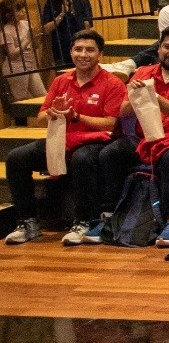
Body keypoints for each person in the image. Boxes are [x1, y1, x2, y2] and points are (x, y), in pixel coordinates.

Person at [4, 30, 126, 247]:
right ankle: (28, 222)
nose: (83, 54)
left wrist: (76, 116)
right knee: (16, 157)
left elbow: (111, 123)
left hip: (96, 141)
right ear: (71, 52)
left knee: (82, 158)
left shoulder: (113, 83)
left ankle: (84, 221)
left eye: (90, 50)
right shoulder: (61, 81)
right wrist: (53, 114)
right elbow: (41, 116)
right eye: (78, 49)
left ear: (100, 54)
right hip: (62, 140)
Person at [106, 25, 169, 249]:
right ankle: (108, 216)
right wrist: (136, 96)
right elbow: (123, 111)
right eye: (167, 46)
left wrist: (154, 96)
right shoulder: (143, 72)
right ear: (159, 48)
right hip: (145, 137)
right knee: (109, 153)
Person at [40, 0, 94, 68]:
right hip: (60, 50)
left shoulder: (83, 2)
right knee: (64, 75)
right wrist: (62, 14)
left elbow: (87, 28)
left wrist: (76, 12)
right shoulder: (51, 4)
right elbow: (45, 30)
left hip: (80, 50)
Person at [0, 0, 44, 102]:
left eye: (23, 8)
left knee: (42, 95)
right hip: (15, 67)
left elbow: (34, 46)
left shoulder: (26, 24)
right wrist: (28, 39)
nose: (23, 11)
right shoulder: (6, 31)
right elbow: (12, 55)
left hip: (30, 64)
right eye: (18, 9)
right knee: (21, 100)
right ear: (8, 14)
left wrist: (37, 39)